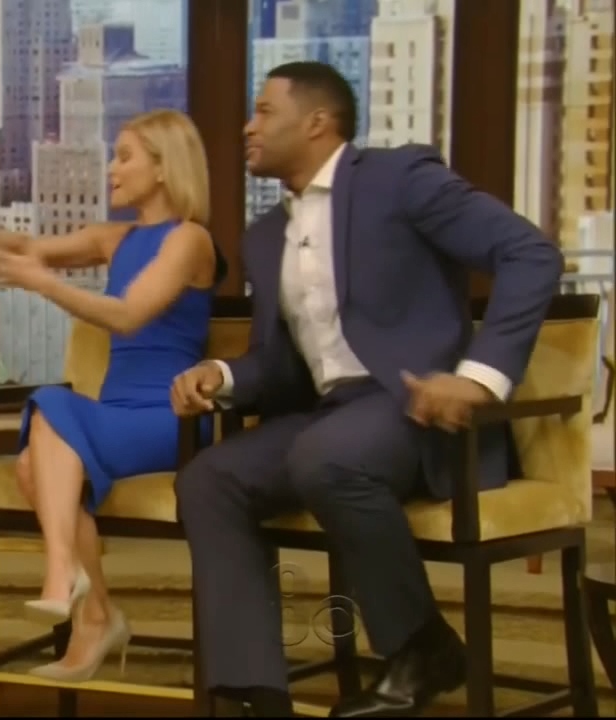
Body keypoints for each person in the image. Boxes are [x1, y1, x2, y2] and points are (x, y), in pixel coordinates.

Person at [170, 62, 562, 717]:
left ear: (317, 122)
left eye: (264, 111)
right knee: (209, 479)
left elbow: (530, 254)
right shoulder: (265, 238)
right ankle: (256, 693)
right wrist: (227, 376)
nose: (246, 127)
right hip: (330, 416)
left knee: (325, 456)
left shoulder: (399, 179)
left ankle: (419, 646)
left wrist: (479, 379)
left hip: (415, 406)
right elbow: (282, 367)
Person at [0, 108, 225, 683]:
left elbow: (128, 315)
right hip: (114, 415)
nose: (112, 168)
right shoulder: (117, 239)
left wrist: (45, 286)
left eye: (125, 156)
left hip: (171, 416)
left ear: (165, 167)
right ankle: (97, 611)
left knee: (51, 405)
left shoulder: (190, 239)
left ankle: (65, 578)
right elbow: (29, 245)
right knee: (33, 466)